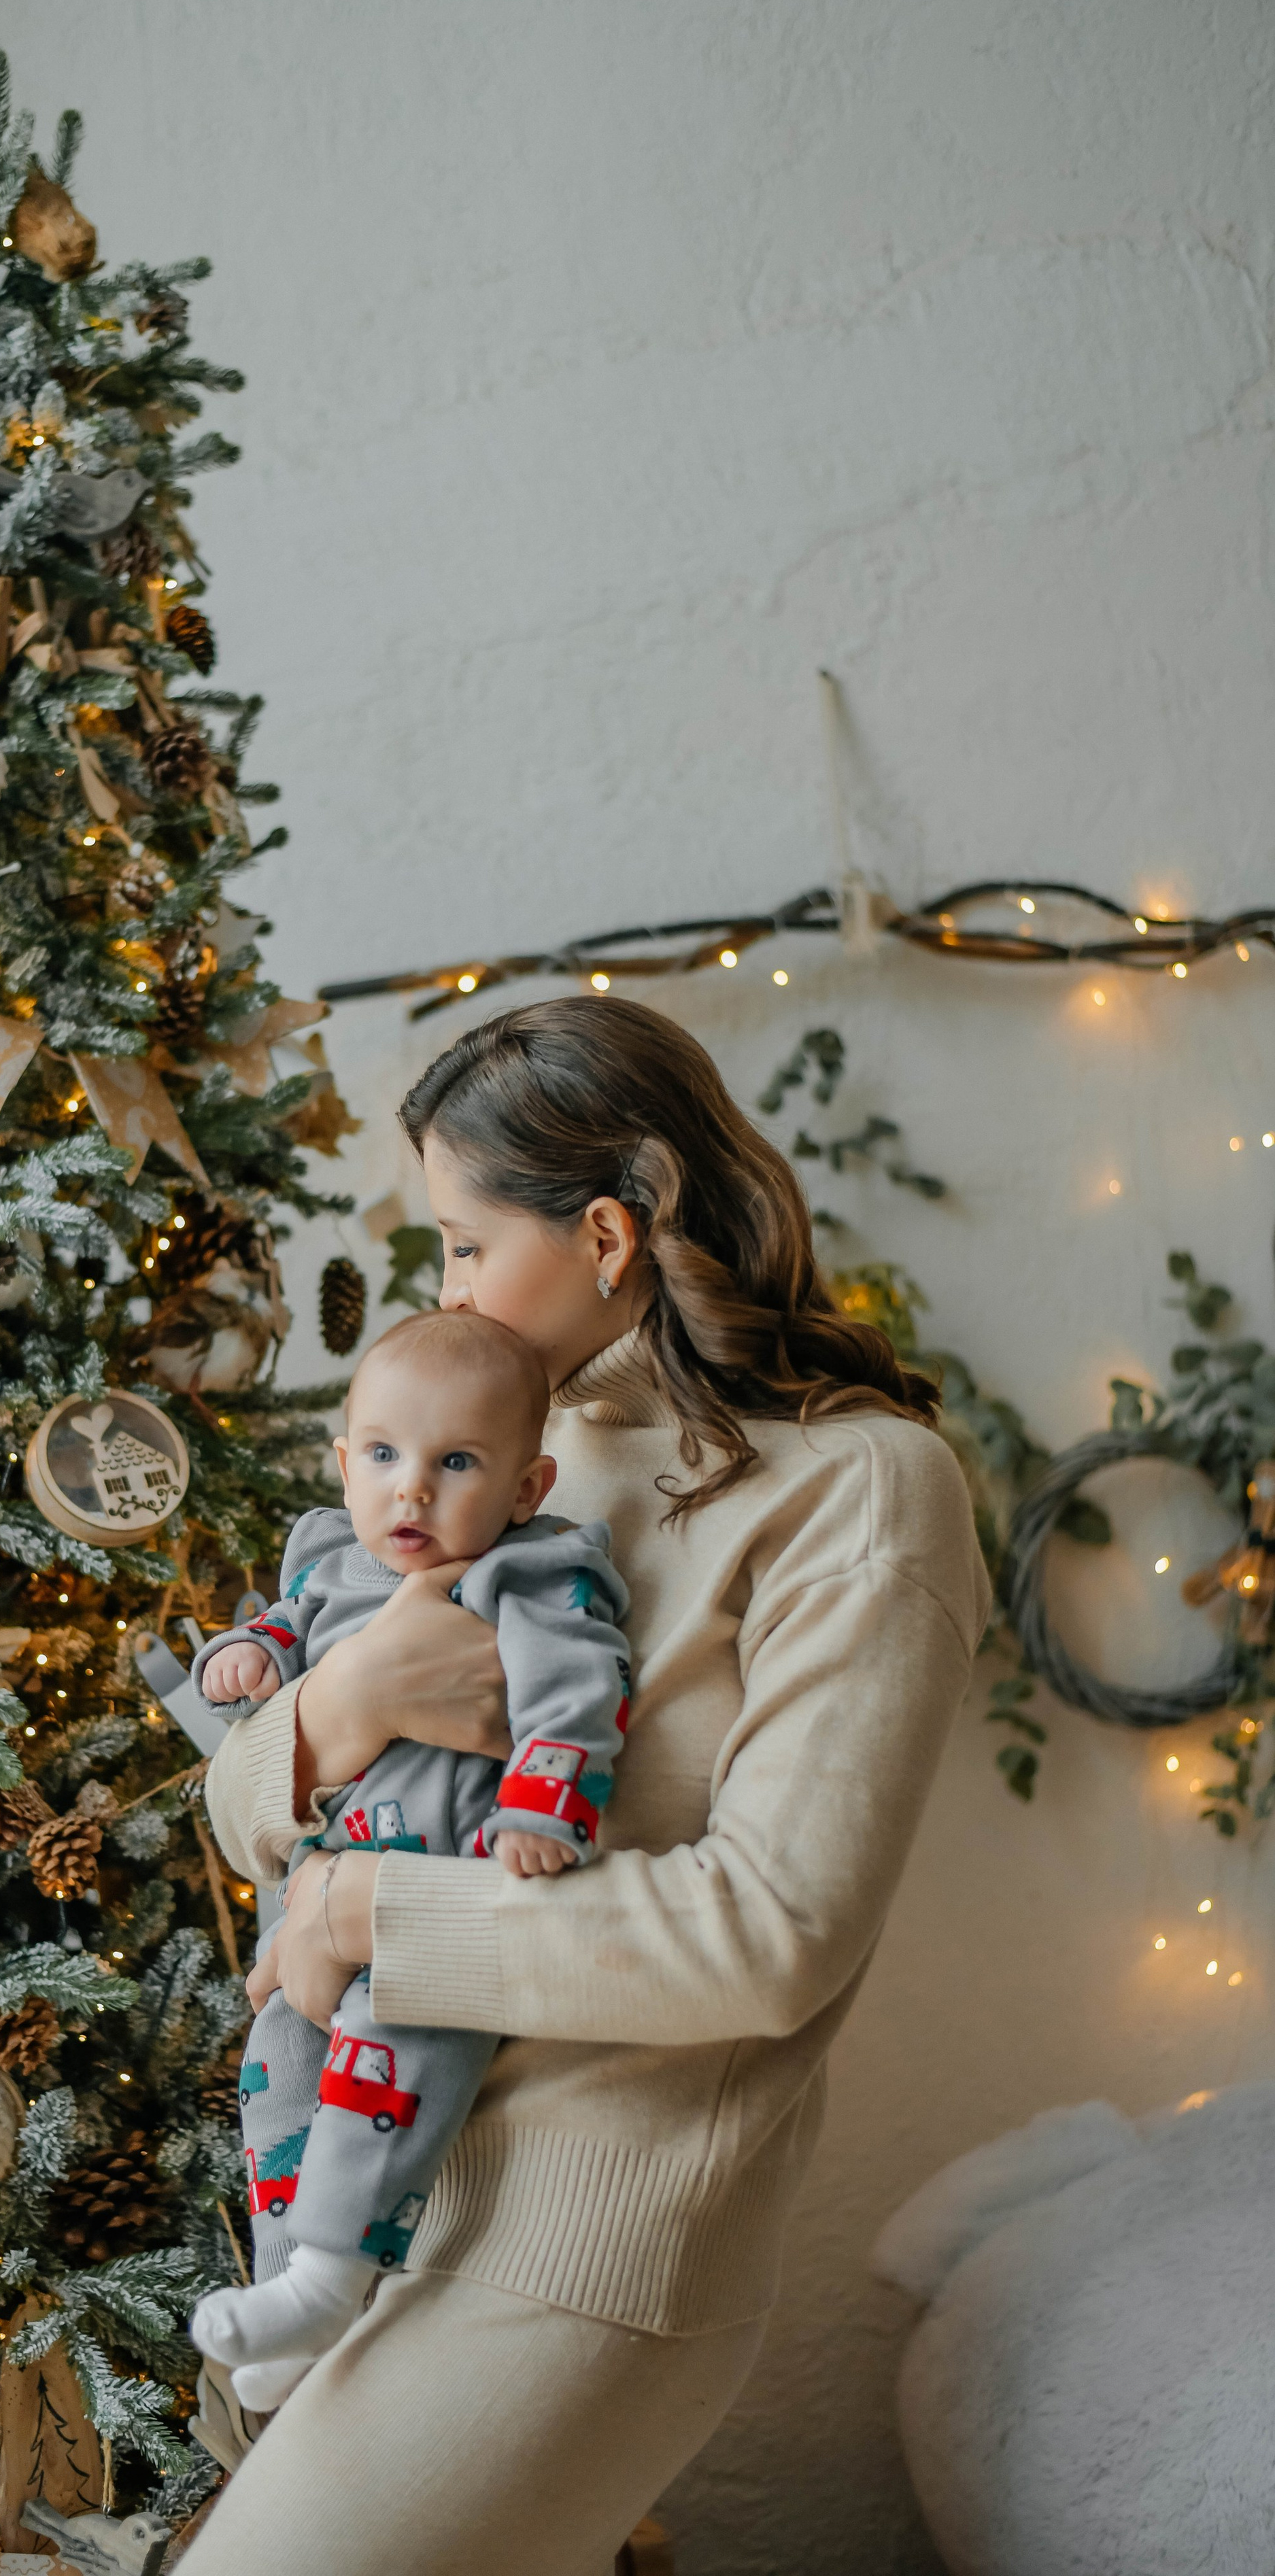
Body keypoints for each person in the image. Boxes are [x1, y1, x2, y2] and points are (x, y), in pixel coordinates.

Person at [180, 995, 989, 2576]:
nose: (444, 1292)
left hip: (580, 2245)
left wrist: (363, 1903)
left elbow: (770, 1933)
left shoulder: (859, 1491)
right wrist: (336, 1708)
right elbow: (232, 1812)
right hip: (357, 2204)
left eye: (464, 1245)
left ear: (607, 1235)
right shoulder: (456, 1452)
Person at [188, 1310, 630, 2411]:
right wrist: (244, 1656)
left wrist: (543, 1807)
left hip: (441, 1909)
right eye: (382, 1457)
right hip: (313, 1918)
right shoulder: (332, 1562)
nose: (411, 1493)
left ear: (527, 1487)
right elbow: (281, 1637)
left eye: (456, 1464)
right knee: (279, 2063)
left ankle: (338, 2268)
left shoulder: (531, 1574)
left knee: (396, 2044)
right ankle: (295, 2282)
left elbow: (578, 1698)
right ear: (342, 1465)